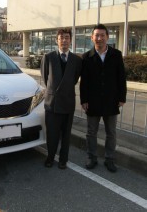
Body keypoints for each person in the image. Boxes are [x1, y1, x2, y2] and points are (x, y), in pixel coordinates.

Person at [80, 23, 127, 173]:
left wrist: (122, 97)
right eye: (96, 35)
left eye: (102, 35)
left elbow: (121, 78)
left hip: (111, 100)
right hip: (92, 101)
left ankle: (109, 159)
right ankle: (91, 157)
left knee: (111, 133)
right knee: (91, 132)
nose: (99, 38)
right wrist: (84, 100)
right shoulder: (86, 57)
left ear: (107, 37)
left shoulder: (116, 54)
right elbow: (84, 81)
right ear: (92, 38)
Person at [40, 28, 82, 169]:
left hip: (68, 101)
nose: (64, 40)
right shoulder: (49, 57)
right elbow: (46, 78)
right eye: (61, 38)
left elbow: (74, 79)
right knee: (52, 133)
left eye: (67, 37)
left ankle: (63, 159)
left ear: (70, 40)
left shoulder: (76, 60)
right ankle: (50, 157)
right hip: (52, 102)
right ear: (56, 40)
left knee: (66, 134)